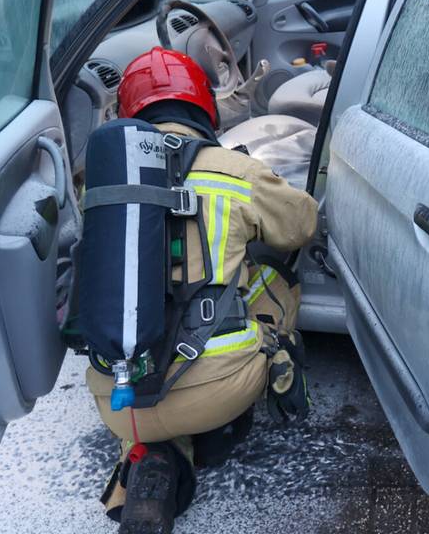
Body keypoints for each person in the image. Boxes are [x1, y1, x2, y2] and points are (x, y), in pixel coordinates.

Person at [83, 47, 318, 534]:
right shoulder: (236, 172)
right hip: (221, 388)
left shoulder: (100, 183)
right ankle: (216, 414)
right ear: (204, 107)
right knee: (274, 275)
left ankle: (149, 455)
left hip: (116, 403)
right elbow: (302, 226)